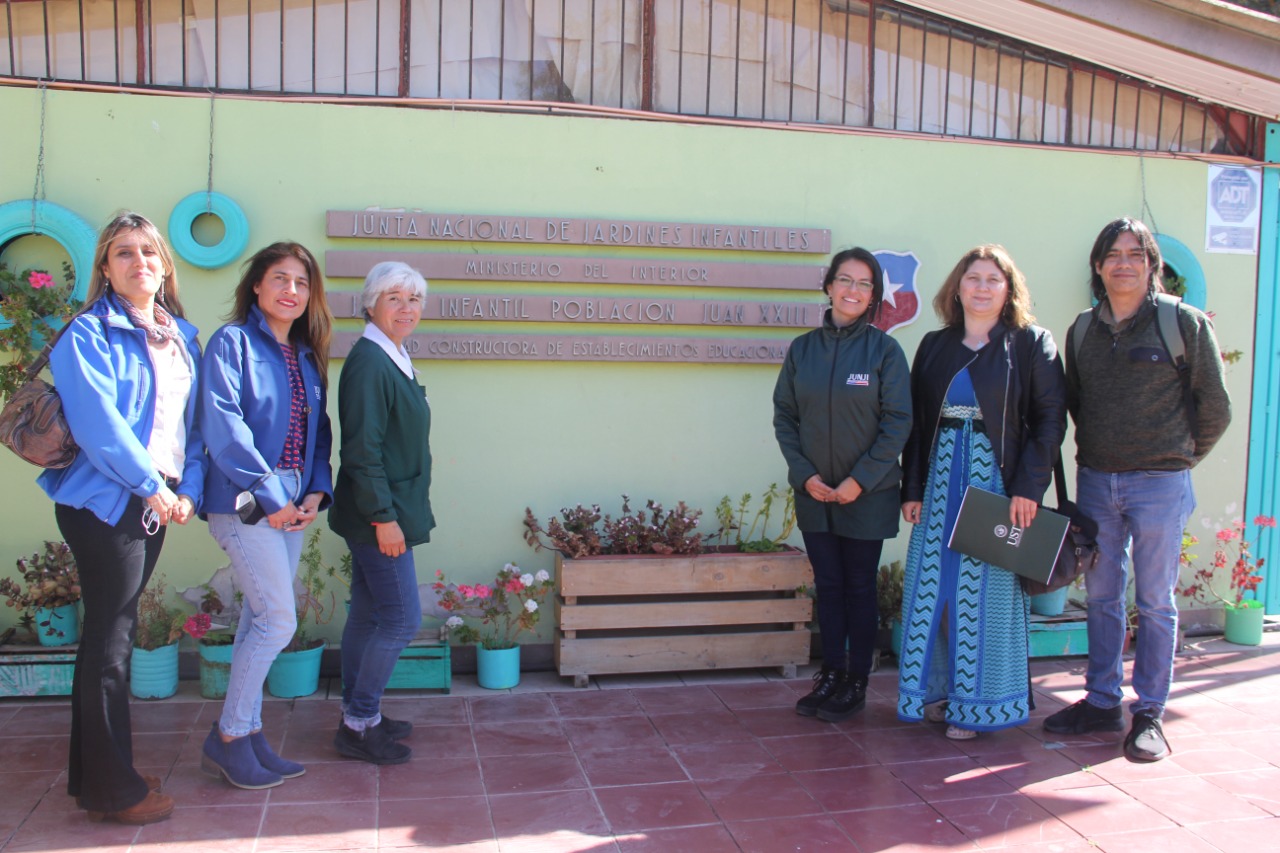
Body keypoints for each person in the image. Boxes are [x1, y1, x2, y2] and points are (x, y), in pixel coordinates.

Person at [37, 212, 205, 824]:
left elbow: (193, 430)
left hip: (156, 503)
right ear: (105, 269)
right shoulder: (87, 333)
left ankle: (97, 774)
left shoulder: (183, 335)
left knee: (110, 637)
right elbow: (98, 423)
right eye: (124, 254)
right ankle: (114, 792)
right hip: (104, 506)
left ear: (165, 265)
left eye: (148, 253)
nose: (139, 263)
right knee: (110, 645)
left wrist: (187, 487)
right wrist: (150, 486)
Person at [1044, 218, 1230, 761]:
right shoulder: (1082, 330)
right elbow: (1074, 402)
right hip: (1098, 481)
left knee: (1154, 601)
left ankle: (1149, 712)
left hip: (1160, 485)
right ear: (1098, 267)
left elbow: (1214, 407)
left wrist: (1176, 462)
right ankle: (1102, 699)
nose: (1123, 262)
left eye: (1135, 254)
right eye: (1112, 254)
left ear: (1152, 265)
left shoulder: (1183, 324)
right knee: (1101, 597)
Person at [897, 244, 1066, 740]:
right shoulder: (934, 345)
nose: (982, 287)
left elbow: (1049, 421)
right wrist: (912, 487)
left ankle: (977, 706)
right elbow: (916, 422)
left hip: (996, 486)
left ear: (1008, 289)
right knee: (934, 593)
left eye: (994, 279)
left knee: (985, 596)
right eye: (973, 277)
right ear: (958, 287)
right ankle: (933, 693)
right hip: (939, 482)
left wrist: (1028, 488)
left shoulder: (1031, 343)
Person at [200, 242, 333, 789]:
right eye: (280, 279)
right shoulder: (231, 342)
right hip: (245, 504)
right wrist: (273, 496)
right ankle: (230, 735)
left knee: (260, 619)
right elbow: (223, 425)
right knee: (279, 620)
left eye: (302, 283)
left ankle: (250, 734)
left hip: (291, 508)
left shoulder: (305, 354)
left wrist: (314, 493)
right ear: (257, 285)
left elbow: (320, 435)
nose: (292, 291)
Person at [773, 248, 912, 721]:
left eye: (864, 284)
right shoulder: (803, 349)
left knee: (859, 587)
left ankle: (857, 680)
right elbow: (785, 419)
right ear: (829, 285)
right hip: (814, 493)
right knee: (828, 586)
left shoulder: (884, 352)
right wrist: (804, 475)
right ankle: (830, 673)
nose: (853, 291)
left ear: (873, 295)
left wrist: (860, 481)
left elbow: (897, 424)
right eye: (845, 280)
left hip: (866, 497)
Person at [329, 261, 434, 764]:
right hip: (379, 515)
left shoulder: (393, 355)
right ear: (371, 304)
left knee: (370, 613)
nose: (407, 308)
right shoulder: (371, 362)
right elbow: (361, 451)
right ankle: (358, 723)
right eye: (395, 298)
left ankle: (360, 712)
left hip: (385, 508)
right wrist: (384, 518)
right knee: (401, 619)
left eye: (414, 299)